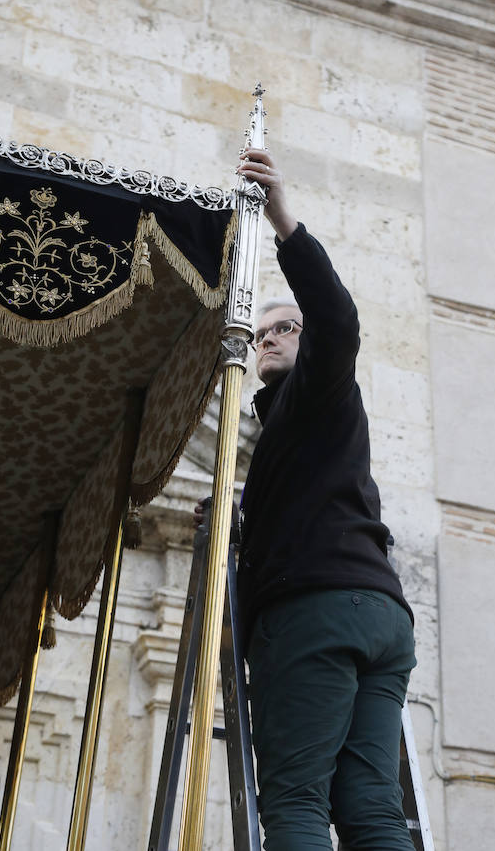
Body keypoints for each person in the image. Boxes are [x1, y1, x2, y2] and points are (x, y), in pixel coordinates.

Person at [196, 149, 416, 851]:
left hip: (317, 611)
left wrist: (285, 222)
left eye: (281, 329)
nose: (266, 340)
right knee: (371, 810)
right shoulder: (293, 425)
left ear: (306, 337)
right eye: (258, 336)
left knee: (292, 802)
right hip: (378, 617)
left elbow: (337, 320)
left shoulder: (322, 390)